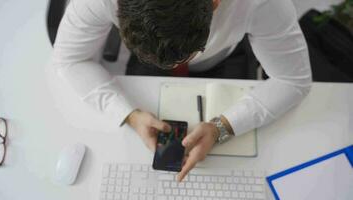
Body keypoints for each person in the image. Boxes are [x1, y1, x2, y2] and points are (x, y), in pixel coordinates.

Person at [51, 0, 312, 181]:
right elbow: (69, 59)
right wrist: (127, 113)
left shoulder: (263, 3)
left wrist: (223, 126)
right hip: (149, 54)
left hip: (225, 56)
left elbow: (294, 80)